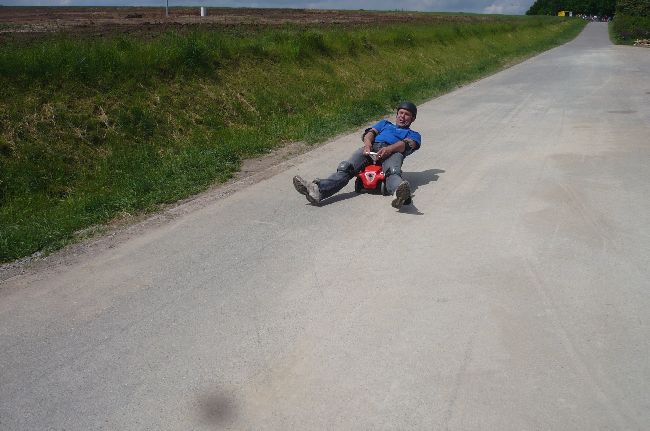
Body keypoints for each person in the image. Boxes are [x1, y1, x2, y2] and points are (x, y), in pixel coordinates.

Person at [293, 101, 421, 208]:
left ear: (413, 119)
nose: (402, 116)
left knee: (393, 172)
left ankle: (399, 193)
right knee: (346, 168)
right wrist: (367, 144)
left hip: (393, 152)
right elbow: (370, 134)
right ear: (397, 114)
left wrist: (389, 149)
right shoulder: (385, 124)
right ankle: (317, 191)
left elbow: (405, 145)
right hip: (371, 149)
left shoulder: (414, 134)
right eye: (401, 113)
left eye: (407, 115)